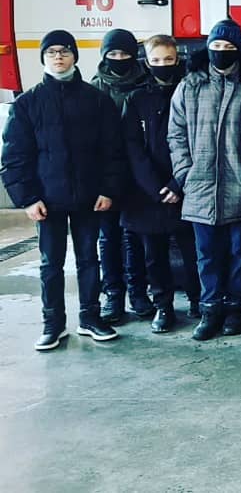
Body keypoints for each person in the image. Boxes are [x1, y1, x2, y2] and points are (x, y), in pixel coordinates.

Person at [2, 30, 127, 349]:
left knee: (89, 259)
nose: (58, 57)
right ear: (43, 58)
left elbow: (113, 151)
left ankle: (90, 318)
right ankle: (52, 324)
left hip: (89, 197)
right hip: (47, 200)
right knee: (50, 264)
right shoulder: (28, 103)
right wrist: (28, 198)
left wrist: (108, 189)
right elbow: (15, 156)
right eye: (51, 52)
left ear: (75, 56)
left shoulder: (96, 100)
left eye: (65, 51)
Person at [168, 19, 241, 340]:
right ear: (207, 49)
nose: (222, 52)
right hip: (200, 187)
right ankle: (210, 309)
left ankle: (235, 308)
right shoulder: (190, 86)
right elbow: (176, 134)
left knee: (240, 254)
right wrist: (185, 174)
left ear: (240, 50)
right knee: (207, 255)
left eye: (228, 47)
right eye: (216, 46)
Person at [121, 34, 201, 333]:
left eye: (168, 59)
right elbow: (132, 148)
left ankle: (198, 301)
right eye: (156, 60)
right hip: (148, 192)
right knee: (154, 256)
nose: (162, 65)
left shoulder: (191, 92)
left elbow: (198, 141)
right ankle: (163, 306)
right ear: (146, 61)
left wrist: (178, 183)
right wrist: (156, 188)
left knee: (194, 252)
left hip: (187, 186)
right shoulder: (136, 99)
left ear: (177, 59)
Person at [91, 28, 152, 323]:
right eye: (112, 53)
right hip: (105, 177)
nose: (119, 58)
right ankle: (113, 295)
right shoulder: (94, 89)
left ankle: (138, 292)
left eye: (125, 53)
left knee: (135, 237)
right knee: (108, 237)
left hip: (138, 175)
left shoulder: (146, 83)